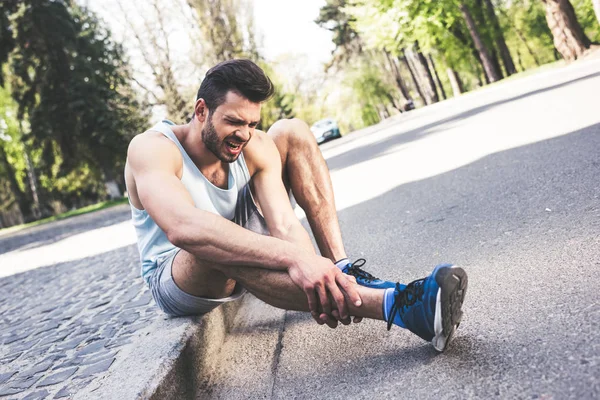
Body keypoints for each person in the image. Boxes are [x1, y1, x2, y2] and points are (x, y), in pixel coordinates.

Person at [124, 59, 468, 352]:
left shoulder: (252, 145)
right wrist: (296, 259)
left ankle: (342, 269)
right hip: (179, 274)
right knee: (212, 244)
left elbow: (285, 226)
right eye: (233, 122)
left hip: (237, 239)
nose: (243, 134)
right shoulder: (153, 149)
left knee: (291, 130)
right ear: (201, 111)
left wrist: (319, 271)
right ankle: (401, 306)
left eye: (251, 124)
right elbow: (185, 228)